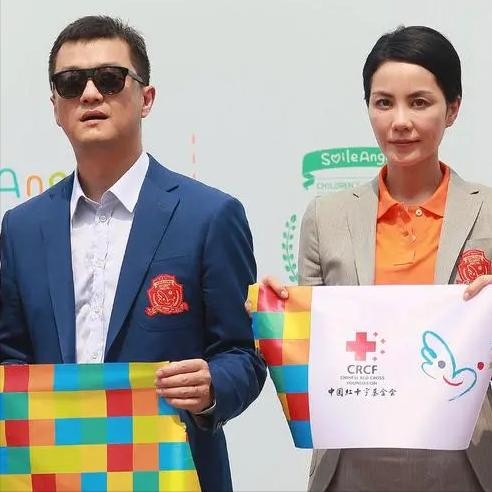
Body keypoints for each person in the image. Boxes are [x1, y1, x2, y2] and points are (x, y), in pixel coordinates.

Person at [0, 15, 266, 491]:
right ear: (55, 106)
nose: (89, 94)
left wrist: (211, 386)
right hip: (51, 472)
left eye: (109, 78)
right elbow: (10, 356)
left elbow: (243, 354)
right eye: (70, 83)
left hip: (172, 472)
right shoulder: (21, 228)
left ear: (146, 98)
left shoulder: (209, 216)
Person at [260, 26, 492, 491]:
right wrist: (281, 318)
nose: (399, 121)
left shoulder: (487, 212)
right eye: (383, 102)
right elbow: (314, 363)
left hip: (464, 462)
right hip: (351, 464)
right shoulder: (326, 217)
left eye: (419, 102)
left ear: (453, 109)